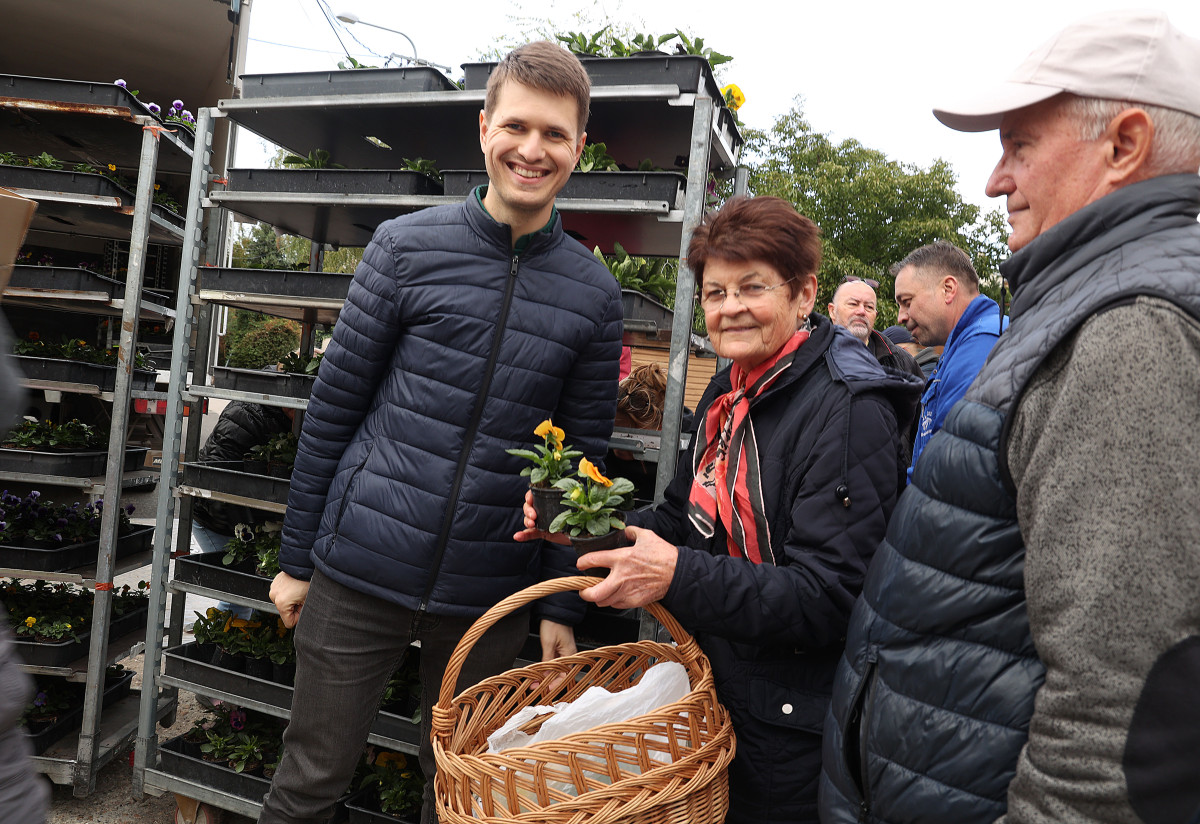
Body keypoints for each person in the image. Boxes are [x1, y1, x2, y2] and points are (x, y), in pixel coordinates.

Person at [820, 10, 1200, 824]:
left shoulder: (1127, 333)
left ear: (1125, 145)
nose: (996, 178)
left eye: (1019, 144)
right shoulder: (1085, 305)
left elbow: (1120, 719)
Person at [260, 41, 623, 824]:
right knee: (311, 777)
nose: (533, 150)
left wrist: (563, 605)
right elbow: (333, 410)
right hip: (358, 568)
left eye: (555, 135)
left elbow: (583, 461)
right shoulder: (405, 248)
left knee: (461, 793)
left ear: (578, 149)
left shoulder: (593, 294)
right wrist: (296, 560)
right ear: (484, 125)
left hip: (489, 591)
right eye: (517, 126)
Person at [520, 196, 922, 823]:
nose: (729, 307)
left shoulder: (847, 411)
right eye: (715, 292)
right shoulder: (730, 391)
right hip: (722, 688)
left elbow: (829, 597)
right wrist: (585, 528)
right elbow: (685, 519)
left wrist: (676, 574)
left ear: (804, 293)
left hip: (791, 723)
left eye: (751, 287)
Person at [892, 240, 1006, 480]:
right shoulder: (966, 344)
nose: (901, 317)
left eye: (907, 301)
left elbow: (951, 471)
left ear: (948, 289)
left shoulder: (981, 346)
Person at [828, 276, 925, 382]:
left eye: (869, 307)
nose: (861, 311)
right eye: (853, 304)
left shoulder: (901, 362)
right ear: (832, 311)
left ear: (875, 315)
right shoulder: (813, 355)